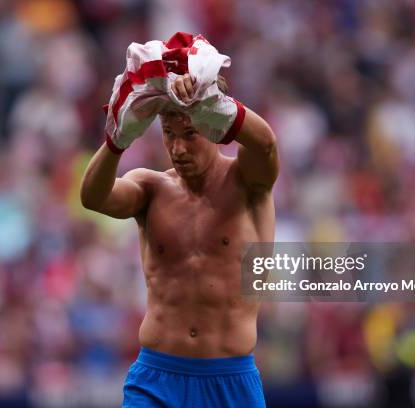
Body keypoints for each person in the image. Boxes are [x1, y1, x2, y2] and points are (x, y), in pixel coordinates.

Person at [80, 34, 279, 407]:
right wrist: (115, 141)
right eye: (169, 134)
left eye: (191, 133)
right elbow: (93, 197)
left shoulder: (249, 182)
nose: (178, 148)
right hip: (156, 378)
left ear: (215, 127)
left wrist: (213, 102)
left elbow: (265, 143)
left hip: (230, 381)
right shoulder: (150, 187)